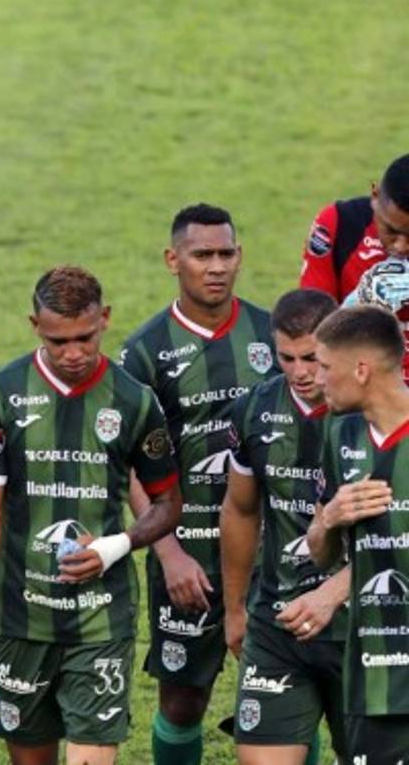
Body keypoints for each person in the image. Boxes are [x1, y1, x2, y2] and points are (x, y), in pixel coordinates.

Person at [0, 266, 181, 765]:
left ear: (104, 318)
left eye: (85, 336)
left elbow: (169, 502)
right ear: (34, 324)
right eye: (59, 341)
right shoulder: (0, 395)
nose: (74, 353)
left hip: (102, 619)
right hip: (22, 615)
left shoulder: (133, 401)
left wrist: (114, 546)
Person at [120, 203, 278, 765]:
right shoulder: (143, 353)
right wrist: (167, 552)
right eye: (202, 255)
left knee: (284, 698)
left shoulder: (271, 336)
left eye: (226, 253)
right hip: (188, 556)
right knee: (184, 700)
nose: (216, 267)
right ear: (173, 260)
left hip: (272, 554)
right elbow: (131, 466)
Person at [219, 288, 346, 765]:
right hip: (279, 622)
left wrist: (335, 592)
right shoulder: (254, 408)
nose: (299, 372)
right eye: (286, 358)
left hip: (365, 628)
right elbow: (240, 510)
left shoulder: (377, 414)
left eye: (311, 357)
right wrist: (235, 608)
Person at [306, 305, 409, 764]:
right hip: (375, 674)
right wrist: (329, 518)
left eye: (325, 366)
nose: (316, 378)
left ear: (361, 370)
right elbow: (322, 556)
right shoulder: (339, 435)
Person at [298, 153, 409, 303]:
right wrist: (359, 301)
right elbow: (312, 319)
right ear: (375, 196)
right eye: (391, 231)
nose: (401, 247)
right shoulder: (338, 223)